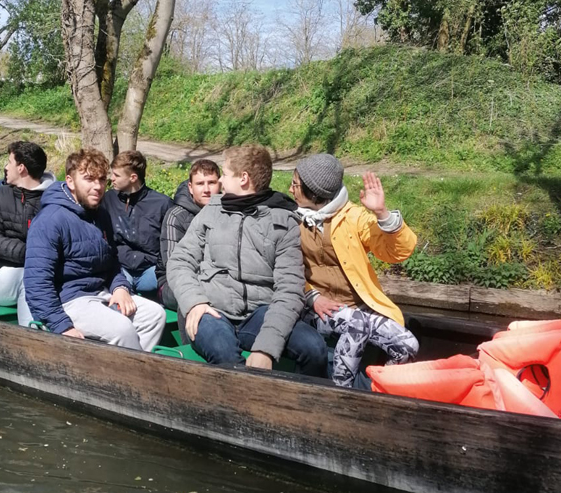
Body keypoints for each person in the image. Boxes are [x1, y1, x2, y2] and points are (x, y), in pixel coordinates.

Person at [167, 145, 327, 375]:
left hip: (260, 312)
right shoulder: (212, 211)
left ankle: (306, 406)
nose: (220, 181)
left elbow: (290, 290)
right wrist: (195, 302)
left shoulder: (283, 221)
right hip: (212, 309)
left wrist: (266, 349)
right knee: (223, 352)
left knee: (314, 348)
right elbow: (179, 261)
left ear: (243, 178)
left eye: (224, 173)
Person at [290, 153, 420, 388]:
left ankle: (374, 389)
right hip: (315, 310)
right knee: (357, 324)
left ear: (315, 194)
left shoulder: (353, 217)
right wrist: (312, 297)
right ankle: (343, 394)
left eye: (295, 185)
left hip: (358, 309)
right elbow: (286, 269)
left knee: (408, 346)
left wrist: (382, 214)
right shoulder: (292, 219)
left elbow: (398, 252)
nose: (290, 189)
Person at [24, 148, 166, 351]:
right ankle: (130, 375)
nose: (98, 187)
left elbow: (113, 262)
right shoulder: (50, 220)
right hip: (68, 300)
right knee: (122, 329)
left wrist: (120, 287)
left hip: (101, 292)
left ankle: (124, 369)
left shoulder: (100, 214)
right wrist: (61, 325)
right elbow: (36, 283)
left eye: (101, 180)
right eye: (89, 179)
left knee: (154, 315)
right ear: (70, 181)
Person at [0, 141, 56, 326]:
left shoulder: (54, 199)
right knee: (29, 276)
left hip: (47, 271)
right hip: (1, 276)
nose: (6, 167)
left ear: (21, 168)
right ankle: (30, 334)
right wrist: (32, 254)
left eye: (9, 162)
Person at [102, 150, 173, 294]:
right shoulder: (108, 200)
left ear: (133, 177)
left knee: (169, 284)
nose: (111, 179)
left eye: (116, 175)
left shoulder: (162, 204)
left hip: (151, 269)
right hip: (120, 267)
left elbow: (169, 244)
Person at [156, 159, 221, 310]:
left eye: (211, 182)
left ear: (220, 184)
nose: (206, 189)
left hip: (216, 281)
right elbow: (171, 264)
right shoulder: (176, 216)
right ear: (190, 187)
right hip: (173, 283)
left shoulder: (227, 213)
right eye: (200, 184)